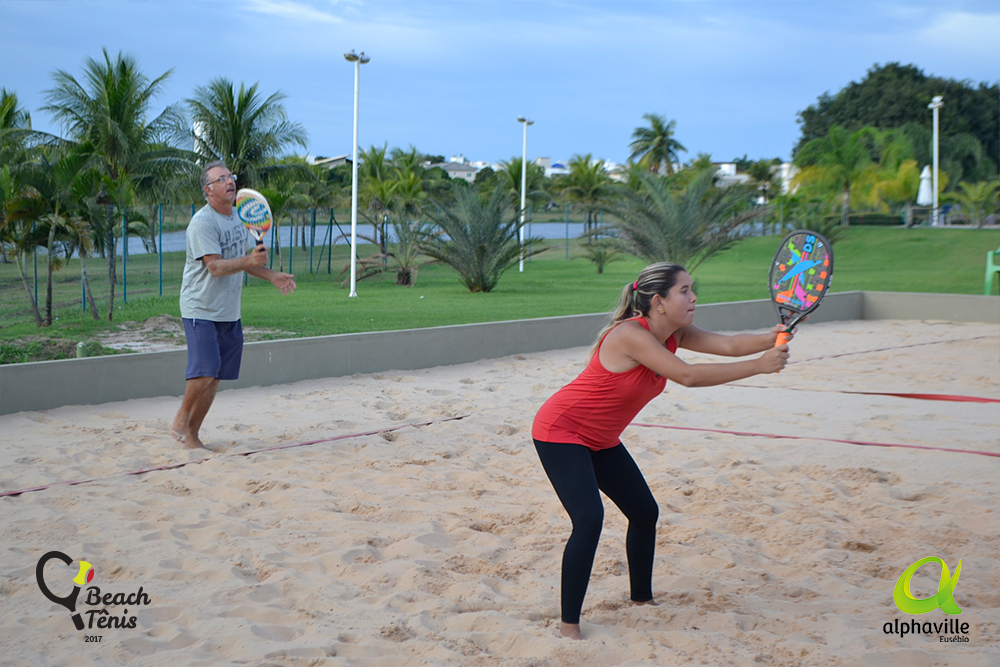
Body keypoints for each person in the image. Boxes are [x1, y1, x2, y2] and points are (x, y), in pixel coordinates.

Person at [531, 262, 791, 640]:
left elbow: (729, 345)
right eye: (684, 290)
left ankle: (641, 600)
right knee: (589, 519)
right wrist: (759, 367)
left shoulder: (675, 332)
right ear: (659, 301)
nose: (694, 296)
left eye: (691, 288)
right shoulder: (629, 335)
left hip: (601, 439)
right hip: (562, 431)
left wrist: (772, 338)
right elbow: (687, 376)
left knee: (644, 511)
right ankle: (569, 626)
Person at [170, 161, 296, 449]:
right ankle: (181, 415)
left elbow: (243, 261)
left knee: (216, 378)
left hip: (228, 310)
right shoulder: (202, 222)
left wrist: (272, 275)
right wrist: (250, 260)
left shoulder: (240, 218)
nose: (230, 182)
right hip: (199, 308)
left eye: (230, 177)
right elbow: (215, 267)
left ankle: (192, 434)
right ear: (208, 189)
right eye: (221, 179)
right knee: (206, 369)